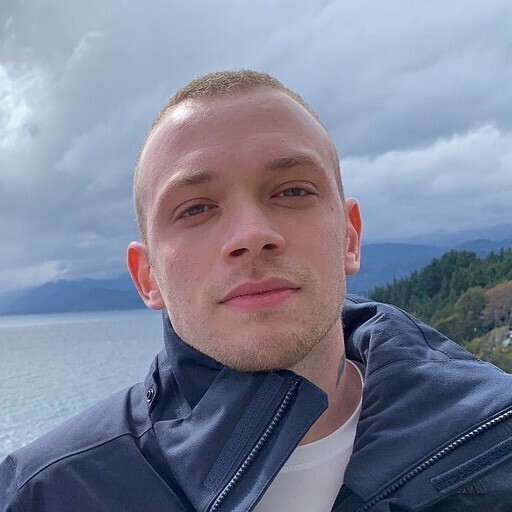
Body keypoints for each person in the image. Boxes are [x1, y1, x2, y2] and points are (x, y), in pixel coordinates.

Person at [1, 70, 512, 512]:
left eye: (292, 191)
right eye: (196, 208)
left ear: (349, 238)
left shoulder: (496, 439)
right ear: (148, 276)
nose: (251, 234)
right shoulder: (46, 493)